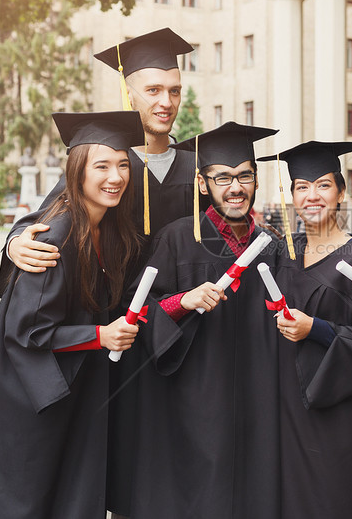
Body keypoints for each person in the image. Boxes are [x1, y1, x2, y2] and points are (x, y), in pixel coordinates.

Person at [0, 111, 144, 518]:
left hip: (62, 385)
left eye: (122, 164)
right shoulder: (57, 235)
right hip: (21, 394)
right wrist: (100, 336)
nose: (115, 176)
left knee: (68, 493)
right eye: (101, 165)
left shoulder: (107, 229)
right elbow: (28, 333)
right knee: (27, 500)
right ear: (77, 171)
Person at [116, 121, 285, 518]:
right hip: (192, 403)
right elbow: (134, 312)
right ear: (203, 182)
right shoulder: (176, 239)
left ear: (256, 180)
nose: (236, 187)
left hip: (257, 402)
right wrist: (183, 301)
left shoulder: (273, 247)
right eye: (223, 177)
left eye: (245, 175)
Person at [0, 27, 198, 294]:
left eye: (174, 91)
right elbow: (45, 216)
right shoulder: (106, 167)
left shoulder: (196, 166)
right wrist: (15, 245)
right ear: (129, 94)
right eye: (153, 90)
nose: (166, 102)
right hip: (113, 320)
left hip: (186, 319)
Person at [257, 141, 352, 518]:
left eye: (322, 185)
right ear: (292, 196)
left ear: (341, 191)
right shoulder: (285, 252)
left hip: (339, 423)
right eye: (301, 187)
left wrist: (315, 329)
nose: (312, 196)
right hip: (287, 417)